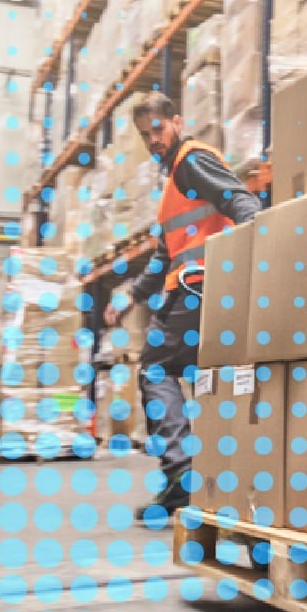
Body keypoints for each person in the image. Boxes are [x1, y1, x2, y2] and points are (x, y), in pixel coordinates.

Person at [114, 91, 261, 518]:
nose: (153, 140)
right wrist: (131, 296)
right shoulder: (173, 185)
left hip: (199, 288)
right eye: (145, 135)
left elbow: (240, 201)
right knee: (207, 383)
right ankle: (216, 483)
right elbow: (164, 255)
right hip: (197, 288)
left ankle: (182, 474)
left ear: (176, 121)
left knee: (155, 369)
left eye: (157, 129)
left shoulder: (192, 161)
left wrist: (260, 250)